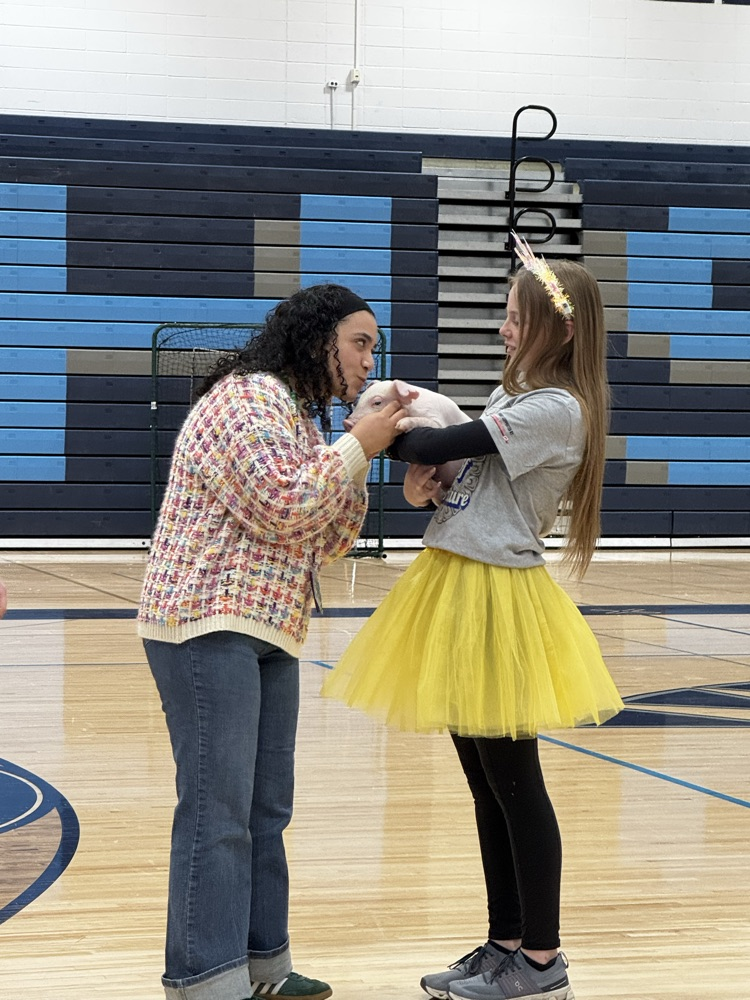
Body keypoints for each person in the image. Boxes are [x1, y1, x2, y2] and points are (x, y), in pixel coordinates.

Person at [322, 240, 624, 1000]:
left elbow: (426, 441)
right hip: (457, 586)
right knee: (485, 783)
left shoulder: (557, 409)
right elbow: (446, 469)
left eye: (516, 317)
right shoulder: (517, 401)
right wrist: (429, 478)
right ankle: (505, 942)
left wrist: (393, 414)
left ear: (557, 331)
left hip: (496, 599)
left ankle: (543, 961)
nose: (502, 329)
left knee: (515, 783)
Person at [137, 283, 407, 1000]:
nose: (367, 359)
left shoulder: (300, 417)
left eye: (372, 347)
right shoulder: (246, 397)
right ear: (319, 340)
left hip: (268, 627)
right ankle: (203, 979)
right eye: (360, 343)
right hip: (206, 622)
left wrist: (357, 445)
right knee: (218, 811)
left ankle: (264, 968)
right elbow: (285, 506)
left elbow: (334, 538)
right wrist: (356, 444)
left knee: (265, 811)